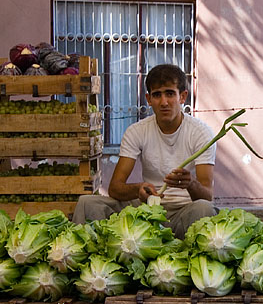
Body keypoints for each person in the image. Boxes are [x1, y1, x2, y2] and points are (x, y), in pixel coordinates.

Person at [72, 64, 217, 238]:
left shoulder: (201, 133)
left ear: (183, 96)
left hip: (185, 213)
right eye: (157, 95)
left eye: (170, 94)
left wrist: (190, 183)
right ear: (148, 99)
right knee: (87, 203)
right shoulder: (137, 131)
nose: (164, 102)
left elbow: (207, 195)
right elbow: (115, 188)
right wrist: (138, 189)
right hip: (146, 212)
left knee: (204, 209)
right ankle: (80, 255)